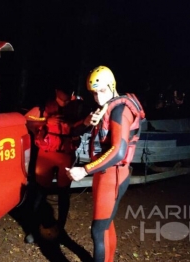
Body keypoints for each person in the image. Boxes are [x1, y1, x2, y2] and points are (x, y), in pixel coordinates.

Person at [66, 65, 145, 262]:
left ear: (112, 86)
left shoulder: (119, 110)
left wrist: (84, 170)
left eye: (102, 91)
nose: (99, 98)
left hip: (114, 175)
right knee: (106, 224)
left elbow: (118, 151)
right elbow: (73, 132)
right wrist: (86, 122)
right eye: (94, 93)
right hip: (105, 173)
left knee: (98, 230)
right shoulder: (104, 108)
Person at [24, 89, 87, 243]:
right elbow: (27, 119)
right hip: (46, 153)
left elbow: (84, 126)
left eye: (69, 95)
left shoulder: (78, 106)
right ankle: (32, 229)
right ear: (56, 92)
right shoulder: (44, 105)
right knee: (39, 193)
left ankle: (61, 228)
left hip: (65, 154)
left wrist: (68, 124)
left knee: (64, 194)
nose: (66, 99)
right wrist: (46, 121)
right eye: (63, 96)